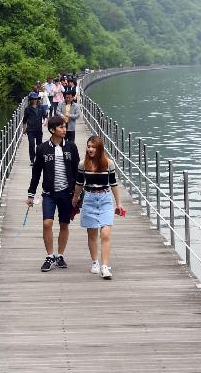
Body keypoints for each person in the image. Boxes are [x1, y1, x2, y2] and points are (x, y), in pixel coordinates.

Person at [27, 116, 81, 272]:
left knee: (64, 224)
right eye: (61, 127)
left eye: (65, 127)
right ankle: (50, 256)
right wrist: (31, 194)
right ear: (52, 130)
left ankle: (60, 255)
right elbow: (36, 173)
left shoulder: (71, 147)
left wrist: (79, 192)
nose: (64, 129)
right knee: (47, 223)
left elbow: (78, 171)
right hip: (49, 194)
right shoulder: (42, 148)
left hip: (67, 193)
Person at [72, 135, 123, 279]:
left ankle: (105, 266)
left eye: (93, 147)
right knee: (92, 234)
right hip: (89, 199)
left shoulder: (108, 164)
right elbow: (79, 184)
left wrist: (118, 203)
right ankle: (95, 262)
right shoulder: (83, 164)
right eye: (88, 146)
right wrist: (75, 198)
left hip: (105, 199)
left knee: (105, 233)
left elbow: (113, 184)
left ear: (99, 148)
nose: (90, 149)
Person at [21, 91, 44, 164]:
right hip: (30, 129)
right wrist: (24, 129)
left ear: (37, 99)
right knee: (31, 144)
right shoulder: (27, 109)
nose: (34, 100)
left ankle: (39, 158)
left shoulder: (41, 107)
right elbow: (24, 120)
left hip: (39, 129)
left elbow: (45, 116)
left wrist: (45, 121)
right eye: (32, 99)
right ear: (30, 100)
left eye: (35, 99)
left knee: (39, 145)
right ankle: (32, 159)